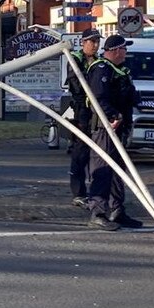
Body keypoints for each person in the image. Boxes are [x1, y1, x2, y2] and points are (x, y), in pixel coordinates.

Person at [86, 34, 142, 231]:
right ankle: (98, 212)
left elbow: (128, 95)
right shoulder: (102, 69)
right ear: (117, 50)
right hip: (105, 127)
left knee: (119, 172)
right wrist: (113, 115)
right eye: (125, 49)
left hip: (120, 128)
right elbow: (97, 99)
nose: (126, 52)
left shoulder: (121, 71)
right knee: (102, 170)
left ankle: (117, 210)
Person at [66, 29, 101, 208]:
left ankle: (96, 191)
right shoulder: (75, 60)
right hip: (81, 111)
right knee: (80, 152)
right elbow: (77, 86)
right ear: (83, 42)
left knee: (96, 153)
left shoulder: (99, 61)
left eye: (97, 41)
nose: (95, 45)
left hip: (97, 112)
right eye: (91, 41)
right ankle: (78, 192)